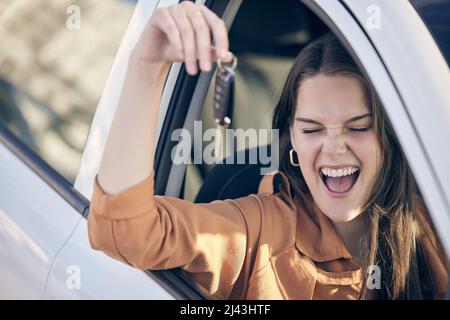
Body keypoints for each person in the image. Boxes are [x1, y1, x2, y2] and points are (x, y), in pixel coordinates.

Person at [87, 2, 448, 299]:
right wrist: (147, 65)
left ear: (390, 137)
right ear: (291, 139)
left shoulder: (429, 211)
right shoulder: (262, 231)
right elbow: (126, 232)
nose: (334, 148)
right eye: (311, 129)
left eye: (357, 127)